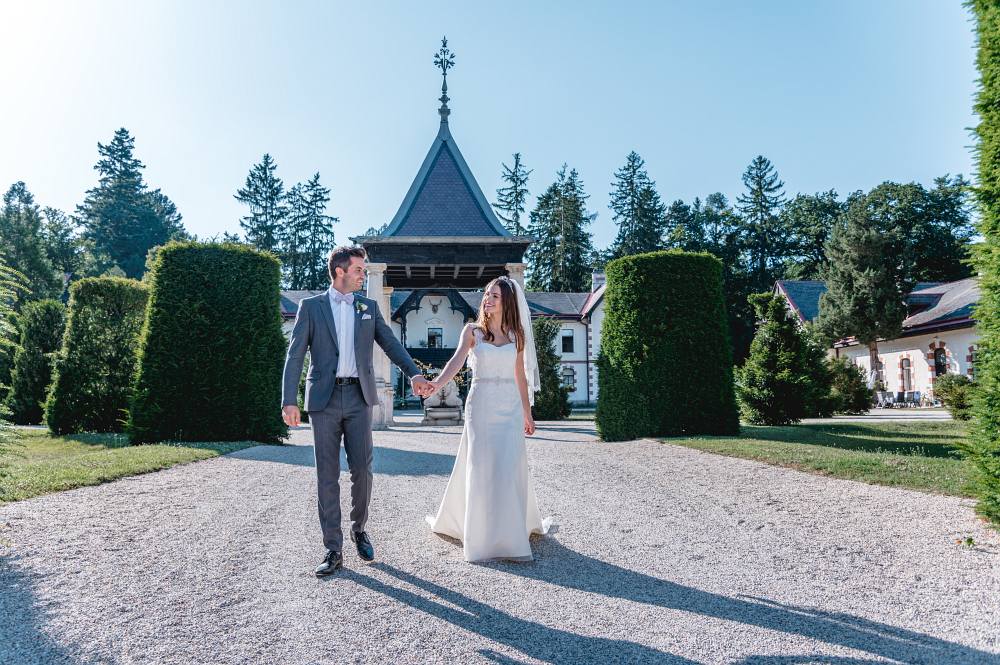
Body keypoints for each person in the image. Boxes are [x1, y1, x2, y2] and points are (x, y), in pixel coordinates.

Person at [281, 245, 434, 577]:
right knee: (327, 474)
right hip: (322, 399)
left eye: (363, 270)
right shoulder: (311, 307)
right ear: (340, 271)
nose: (363, 275)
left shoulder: (368, 307)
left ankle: (358, 528)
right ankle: (333, 548)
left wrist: (415, 374)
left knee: (362, 470)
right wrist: (288, 400)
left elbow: (390, 343)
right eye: (359, 269)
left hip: (358, 397)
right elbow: (295, 355)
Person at [425, 275, 552, 562]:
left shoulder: (517, 334)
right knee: (481, 466)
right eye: (487, 294)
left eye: (495, 295)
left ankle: (510, 537)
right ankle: (480, 538)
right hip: (481, 404)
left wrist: (527, 412)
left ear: (507, 301)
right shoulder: (473, 332)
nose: (488, 299)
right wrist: (436, 383)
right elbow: (455, 362)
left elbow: (520, 376)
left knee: (507, 465)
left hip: (509, 407)